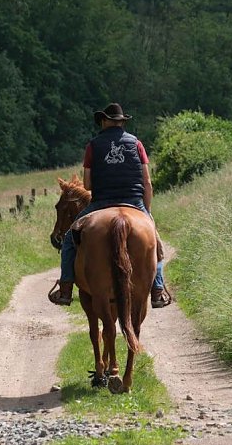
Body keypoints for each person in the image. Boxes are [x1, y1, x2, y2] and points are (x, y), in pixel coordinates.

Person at [49, 103, 171, 309]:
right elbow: (147, 182)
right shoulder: (137, 144)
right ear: (122, 122)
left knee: (69, 238)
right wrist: (147, 212)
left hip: (101, 203)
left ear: (104, 121)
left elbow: (88, 184)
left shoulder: (93, 146)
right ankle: (157, 290)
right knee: (156, 243)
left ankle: (66, 288)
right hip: (134, 202)